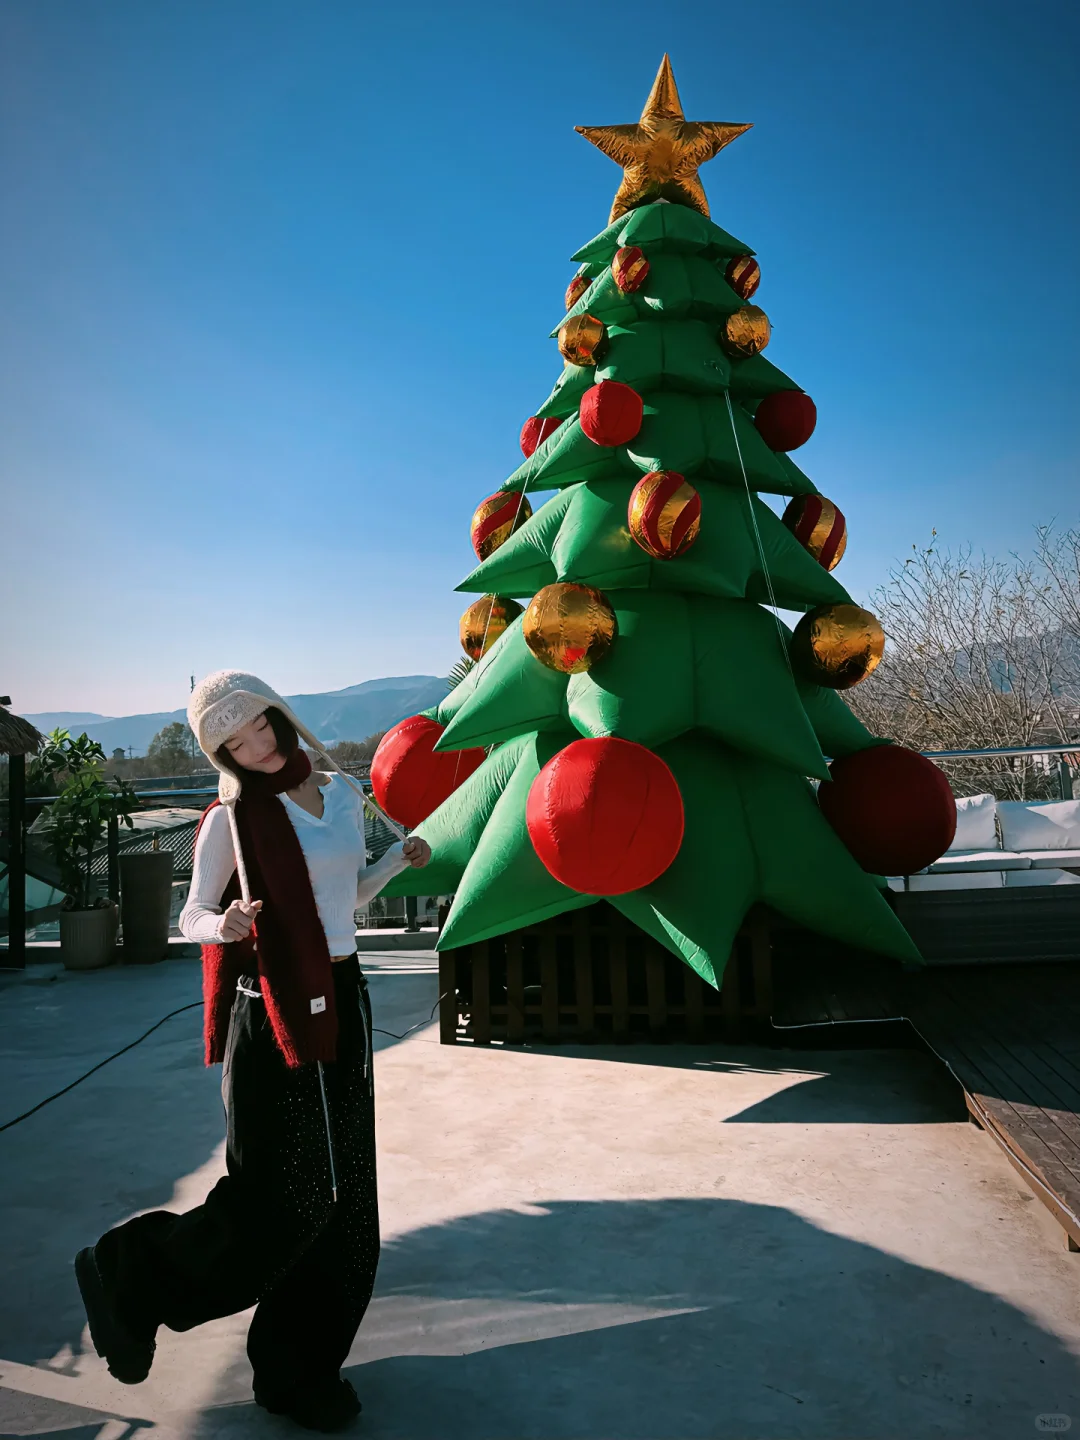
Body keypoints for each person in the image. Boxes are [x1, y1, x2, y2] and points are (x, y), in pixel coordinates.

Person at [74, 671, 430, 1432]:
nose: (255, 747)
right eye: (232, 744)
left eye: (258, 727)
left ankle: (299, 1370)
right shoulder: (230, 819)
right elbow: (191, 913)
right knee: (281, 1201)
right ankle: (135, 1271)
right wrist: (224, 925)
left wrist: (400, 862)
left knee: (346, 1202)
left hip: (345, 996)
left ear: (279, 714)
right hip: (269, 1010)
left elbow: (348, 901)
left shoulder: (337, 795)